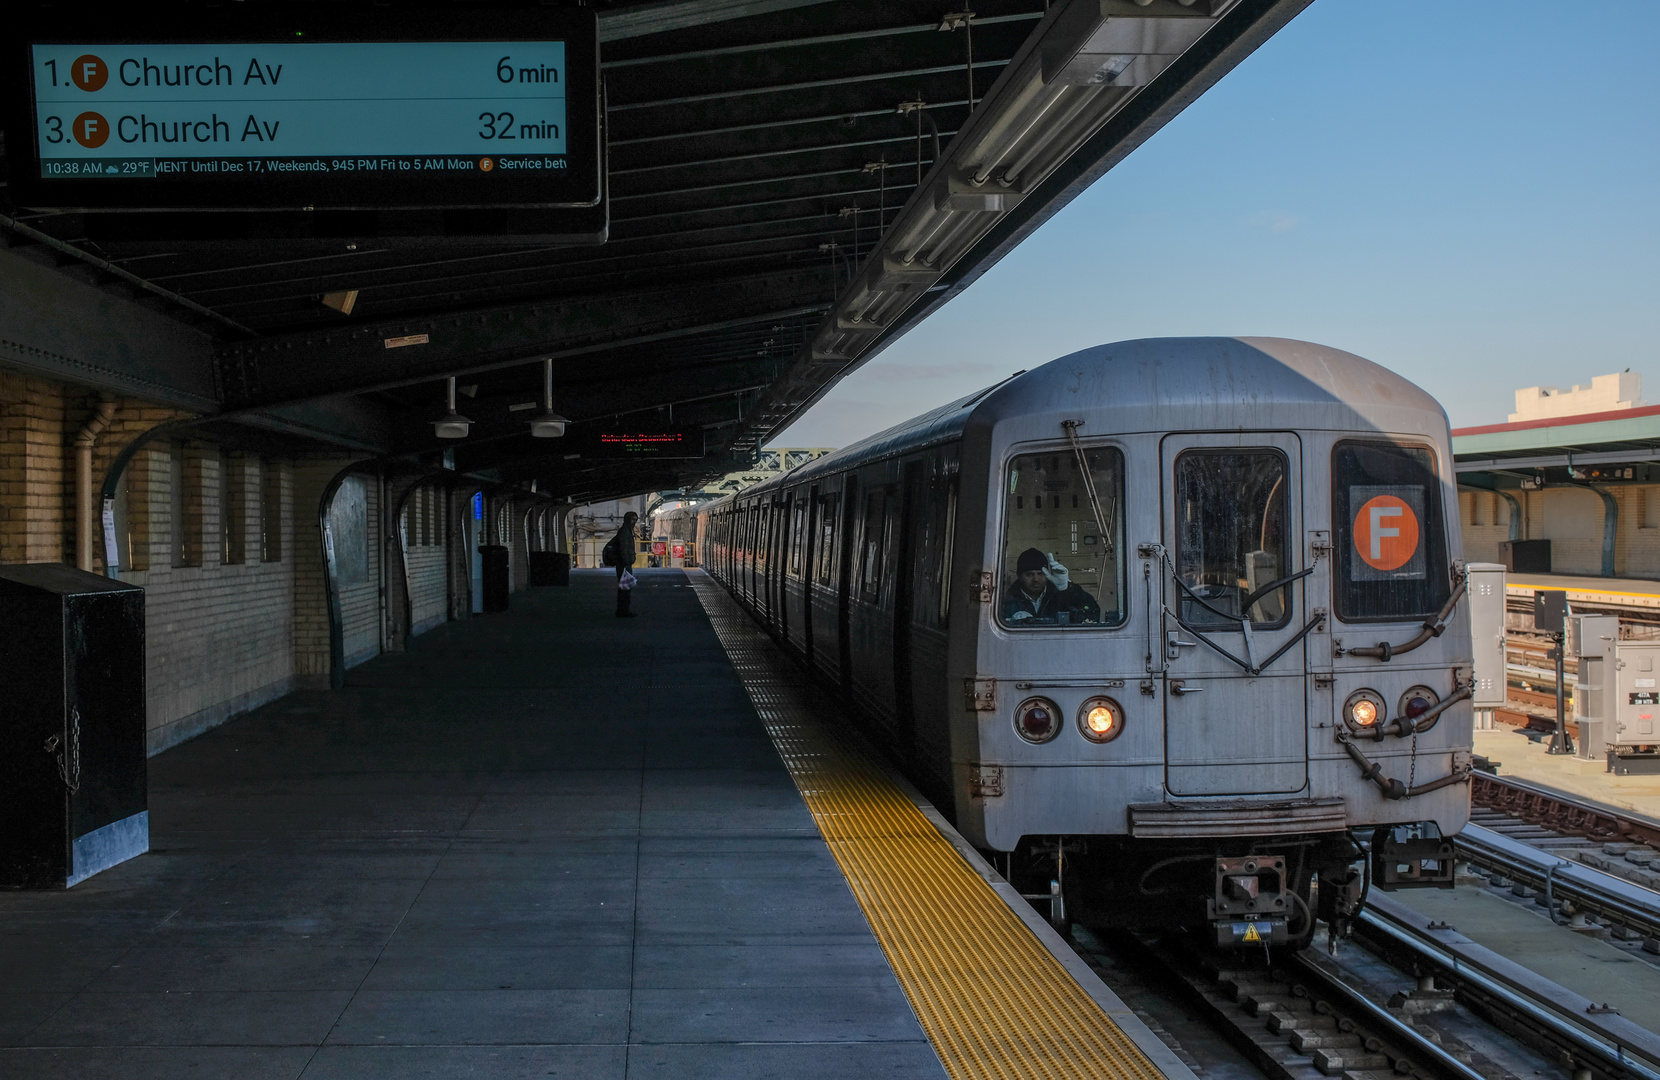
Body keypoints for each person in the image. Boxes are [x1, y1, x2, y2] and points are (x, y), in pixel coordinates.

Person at [1001, 547, 1100, 626]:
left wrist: (1066, 588)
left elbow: (1093, 613)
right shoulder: (1006, 598)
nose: (1036, 579)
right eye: (1029, 574)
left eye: (1041, 574)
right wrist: (1010, 623)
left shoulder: (1059, 594)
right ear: (1019, 576)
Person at [612, 511, 639, 618]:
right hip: (624, 565)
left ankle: (623, 609)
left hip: (625, 564)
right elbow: (624, 548)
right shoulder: (625, 532)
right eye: (632, 520)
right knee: (625, 588)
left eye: (635, 520)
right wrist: (626, 561)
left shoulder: (626, 531)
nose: (634, 522)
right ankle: (623, 610)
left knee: (625, 587)